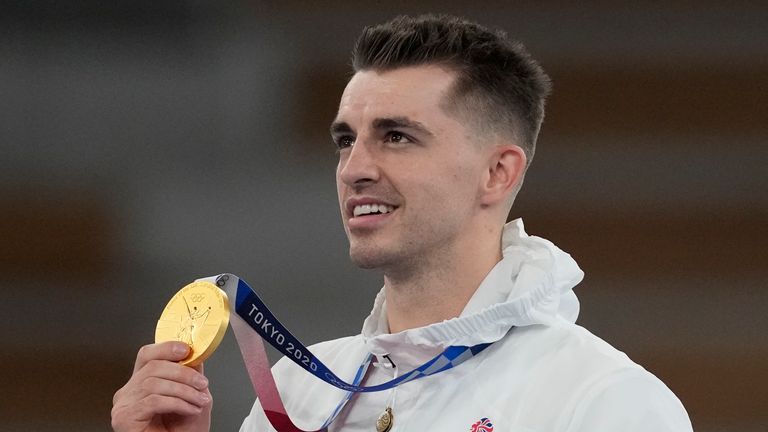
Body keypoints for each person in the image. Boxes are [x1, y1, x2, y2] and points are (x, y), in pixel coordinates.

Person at [112, 14, 693, 432]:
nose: (354, 168)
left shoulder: (600, 401)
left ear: (496, 172)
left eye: (396, 137)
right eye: (346, 140)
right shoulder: (296, 393)